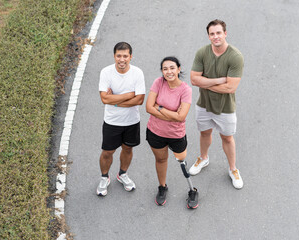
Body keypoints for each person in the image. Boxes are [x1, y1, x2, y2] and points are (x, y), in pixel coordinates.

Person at [189, 19, 244, 189]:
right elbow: (193, 80)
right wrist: (219, 80)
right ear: (208, 36)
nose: (215, 37)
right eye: (212, 34)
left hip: (225, 108)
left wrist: (205, 81)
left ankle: (233, 169)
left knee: (227, 138)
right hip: (203, 104)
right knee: (204, 133)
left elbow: (230, 87)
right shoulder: (202, 52)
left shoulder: (235, 57)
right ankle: (203, 158)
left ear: (225, 33)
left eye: (219, 33)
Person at [146, 56, 198, 209]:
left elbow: (181, 117)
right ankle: (162, 187)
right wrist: (172, 115)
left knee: (181, 160)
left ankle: (192, 189)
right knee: (161, 160)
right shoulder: (158, 82)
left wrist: (160, 108)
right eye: (165, 69)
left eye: (172, 68)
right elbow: (149, 108)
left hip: (176, 135)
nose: (168, 71)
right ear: (162, 71)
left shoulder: (185, 90)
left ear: (178, 69)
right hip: (155, 132)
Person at [96, 42, 145, 196]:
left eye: (125, 56)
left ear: (131, 57)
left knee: (128, 148)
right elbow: (104, 99)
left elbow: (140, 100)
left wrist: (114, 100)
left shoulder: (137, 73)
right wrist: (129, 95)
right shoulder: (106, 72)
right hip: (112, 121)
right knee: (107, 152)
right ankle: (104, 177)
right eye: (119, 56)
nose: (122, 59)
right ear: (114, 56)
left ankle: (122, 174)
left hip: (131, 121)